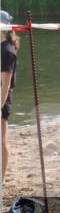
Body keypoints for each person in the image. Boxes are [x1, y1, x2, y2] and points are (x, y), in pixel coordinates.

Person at [1, 10, 16, 184]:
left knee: (1, 140)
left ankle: (1, 179)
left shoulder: (7, 51)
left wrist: (0, 105)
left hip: (2, 98)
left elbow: (6, 83)